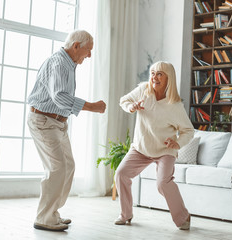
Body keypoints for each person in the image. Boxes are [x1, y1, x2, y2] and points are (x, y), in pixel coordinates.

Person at [27, 30, 106, 231]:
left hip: (57, 123)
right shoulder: (59, 63)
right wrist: (92, 106)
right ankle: (44, 217)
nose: (89, 55)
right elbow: (60, 97)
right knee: (57, 168)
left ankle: (52, 212)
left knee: (68, 166)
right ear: (76, 46)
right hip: (43, 120)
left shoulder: (68, 63)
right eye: (88, 50)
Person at [116, 61, 194, 230]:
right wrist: (131, 107)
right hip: (141, 147)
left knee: (163, 183)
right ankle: (126, 214)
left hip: (165, 150)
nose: (154, 77)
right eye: (152, 73)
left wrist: (177, 142)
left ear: (168, 78)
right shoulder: (143, 90)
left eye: (159, 74)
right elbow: (124, 100)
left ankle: (183, 217)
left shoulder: (175, 105)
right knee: (121, 173)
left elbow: (189, 131)